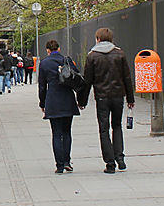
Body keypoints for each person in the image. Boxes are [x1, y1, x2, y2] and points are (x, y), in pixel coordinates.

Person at [77, 27, 136, 173]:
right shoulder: (120, 54)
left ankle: (110, 163)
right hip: (118, 96)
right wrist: (130, 98)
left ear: (98, 39)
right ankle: (120, 158)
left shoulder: (92, 56)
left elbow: (88, 80)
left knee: (104, 129)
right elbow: (127, 78)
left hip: (102, 97)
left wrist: (82, 101)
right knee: (117, 126)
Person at [37, 39, 80, 174]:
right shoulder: (67, 60)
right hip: (67, 98)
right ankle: (67, 161)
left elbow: (42, 86)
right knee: (67, 132)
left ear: (48, 50)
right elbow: (77, 77)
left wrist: (42, 103)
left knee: (56, 133)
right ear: (59, 49)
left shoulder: (44, 63)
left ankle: (59, 165)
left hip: (53, 99)